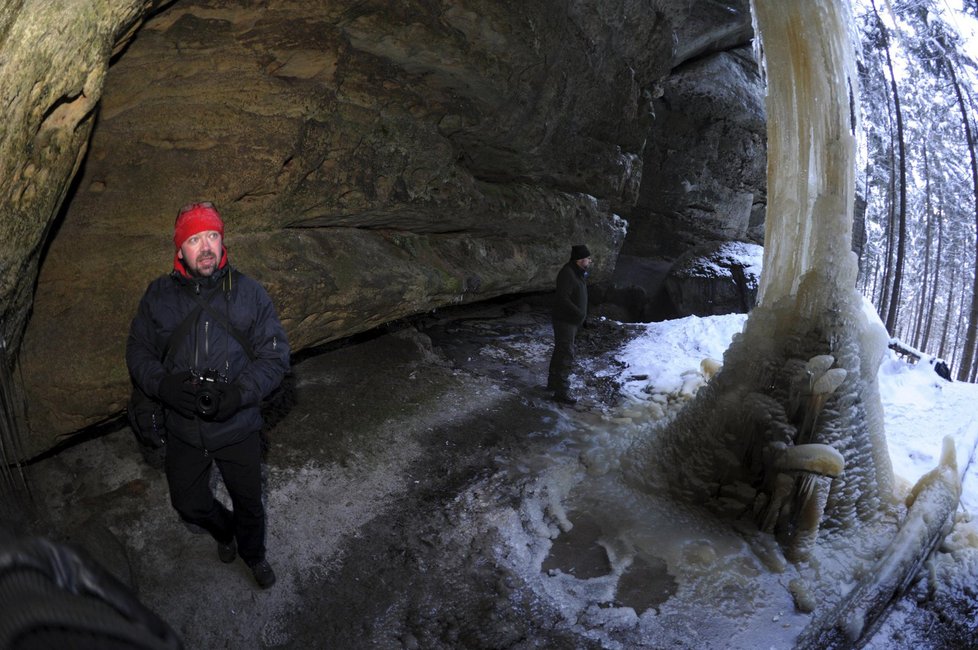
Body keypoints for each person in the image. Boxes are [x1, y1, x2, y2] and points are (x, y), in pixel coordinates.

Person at [126, 201, 290, 590]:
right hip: (183, 426)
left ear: (222, 242)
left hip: (237, 425)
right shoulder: (158, 296)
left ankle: (253, 555)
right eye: (195, 239)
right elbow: (138, 350)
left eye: (213, 236)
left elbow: (275, 356)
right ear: (179, 249)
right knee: (187, 502)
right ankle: (224, 531)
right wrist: (163, 386)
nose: (206, 247)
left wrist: (239, 394)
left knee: (250, 503)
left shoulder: (249, 294)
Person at [547, 244, 591, 405]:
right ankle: (561, 392)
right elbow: (562, 299)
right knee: (566, 354)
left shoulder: (578, 273)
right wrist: (579, 314)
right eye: (587, 258)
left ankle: (552, 385)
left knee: (561, 351)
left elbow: (579, 295)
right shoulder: (568, 274)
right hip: (565, 320)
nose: (590, 261)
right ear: (580, 260)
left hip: (571, 320)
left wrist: (583, 316)